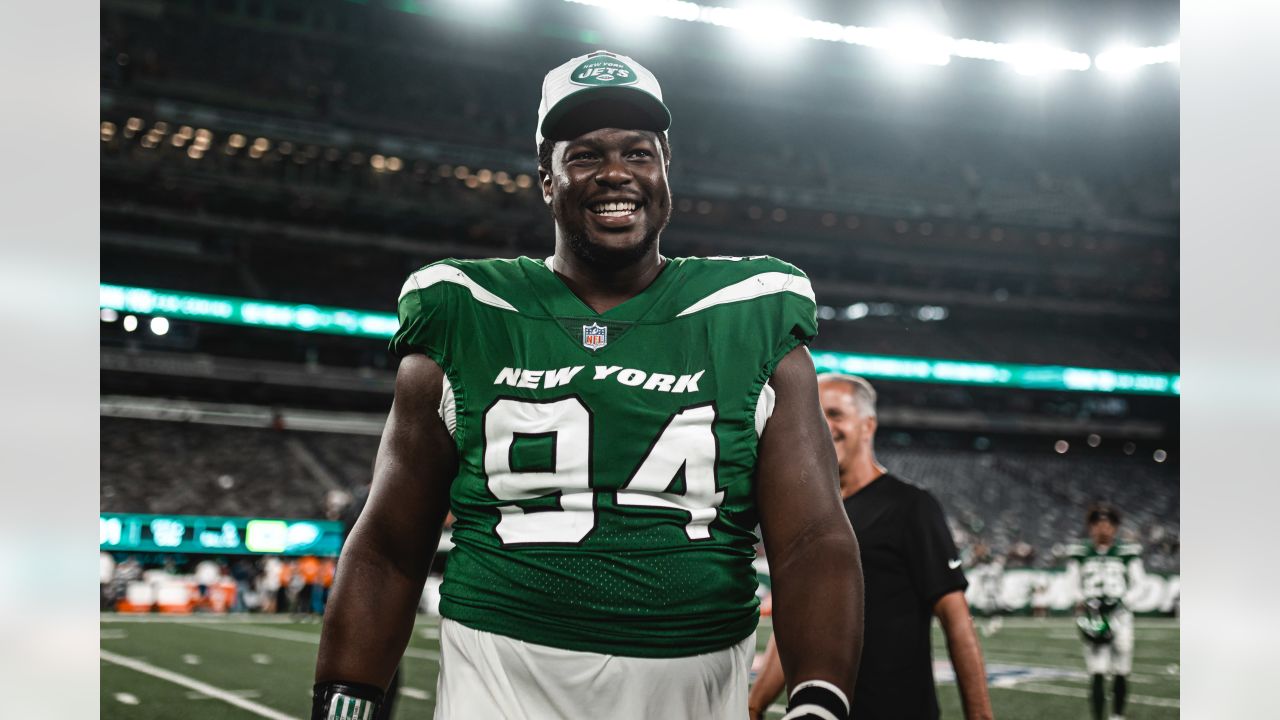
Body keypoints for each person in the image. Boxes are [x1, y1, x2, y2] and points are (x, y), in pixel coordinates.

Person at [313, 50, 864, 720]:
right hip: (501, 678)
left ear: (666, 171)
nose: (614, 173)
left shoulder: (751, 312)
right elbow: (391, 547)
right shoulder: (464, 311)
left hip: (691, 683)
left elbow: (811, 536)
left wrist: (819, 700)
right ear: (545, 176)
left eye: (638, 152)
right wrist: (347, 699)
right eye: (585, 154)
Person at [749, 374, 993, 720]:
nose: (823, 424)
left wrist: (980, 715)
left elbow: (956, 619)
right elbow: (795, 628)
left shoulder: (911, 507)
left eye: (835, 413)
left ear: (868, 425)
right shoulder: (807, 512)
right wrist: (754, 704)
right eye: (815, 414)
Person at [1064, 503, 1144, 720]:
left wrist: (1123, 601)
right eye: (1098, 524)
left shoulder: (1127, 552)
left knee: (1122, 666)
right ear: (1090, 527)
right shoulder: (1080, 552)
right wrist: (1082, 601)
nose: (1103, 528)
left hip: (1120, 615)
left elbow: (1139, 583)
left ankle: (1117, 715)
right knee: (1097, 668)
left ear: (1115, 527)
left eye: (1108, 524)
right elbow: (1072, 583)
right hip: (1093, 614)